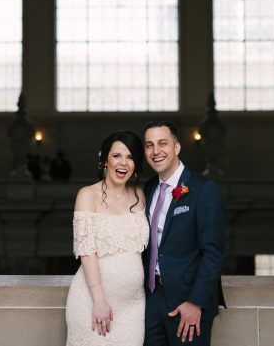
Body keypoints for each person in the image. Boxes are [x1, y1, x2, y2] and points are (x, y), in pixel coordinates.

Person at [142, 121, 225, 346]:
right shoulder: (147, 188)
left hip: (187, 301)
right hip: (152, 299)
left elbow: (213, 253)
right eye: (149, 145)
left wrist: (195, 302)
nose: (155, 151)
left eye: (162, 143)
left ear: (177, 147)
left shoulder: (203, 188)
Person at [65, 131, 150, 346]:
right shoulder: (87, 195)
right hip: (93, 302)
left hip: (133, 306)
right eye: (116, 156)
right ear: (104, 160)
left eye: (130, 157)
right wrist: (99, 300)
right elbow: (86, 251)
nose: (123, 163)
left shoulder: (140, 196)